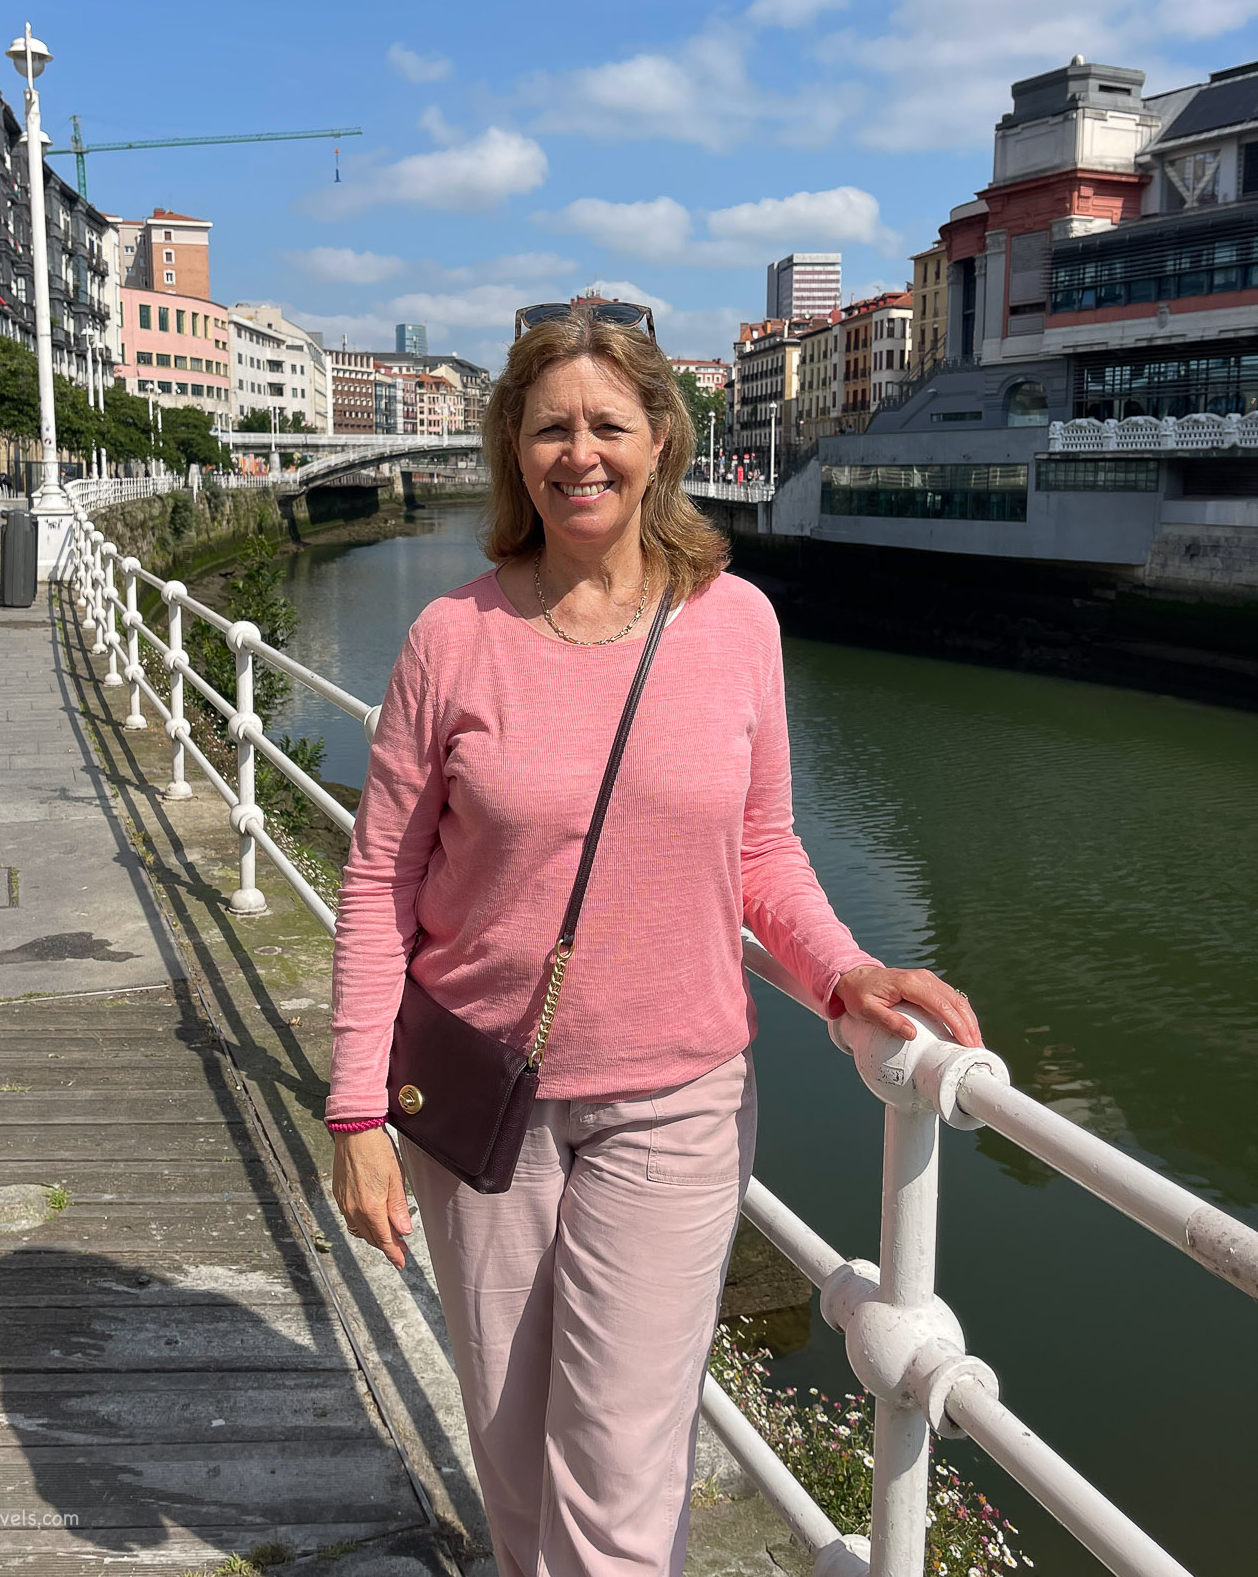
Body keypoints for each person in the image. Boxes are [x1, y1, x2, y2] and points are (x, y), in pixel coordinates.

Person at [327, 300, 981, 1577]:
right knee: (513, 1454)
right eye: (550, 426)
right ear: (512, 448)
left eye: (608, 426)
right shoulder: (451, 640)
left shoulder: (736, 622)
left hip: (673, 1101)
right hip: (481, 1106)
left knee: (621, 1475)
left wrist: (843, 969)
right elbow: (374, 886)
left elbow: (763, 851)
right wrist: (356, 1112)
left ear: (661, 441)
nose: (581, 453)